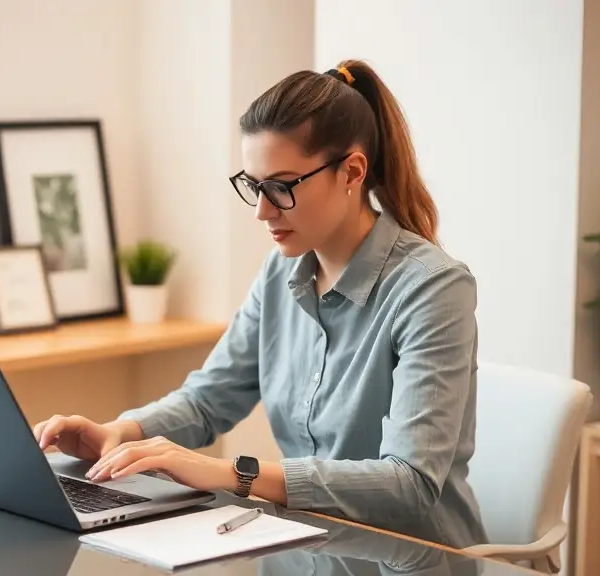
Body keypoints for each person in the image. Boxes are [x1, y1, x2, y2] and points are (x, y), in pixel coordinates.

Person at [32, 60, 487, 548]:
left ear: (352, 171)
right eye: (254, 185)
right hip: (306, 547)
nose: (261, 211)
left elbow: (409, 483)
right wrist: (123, 432)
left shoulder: (432, 288)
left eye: (281, 187)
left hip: (413, 558)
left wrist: (233, 473)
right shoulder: (280, 272)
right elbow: (210, 398)